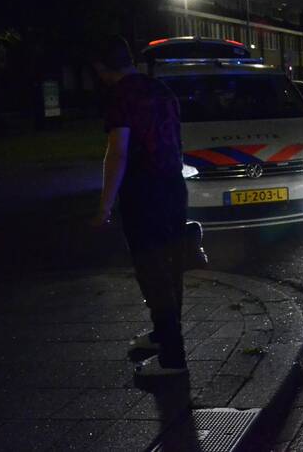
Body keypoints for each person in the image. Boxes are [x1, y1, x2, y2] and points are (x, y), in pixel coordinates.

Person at [91, 35, 188, 378]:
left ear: (101, 68)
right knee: (171, 265)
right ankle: (163, 335)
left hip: (143, 190)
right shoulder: (161, 89)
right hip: (174, 187)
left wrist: (105, 205)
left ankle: (172, 358)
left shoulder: (120, 96)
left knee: (151, 268)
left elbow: (118, 151)